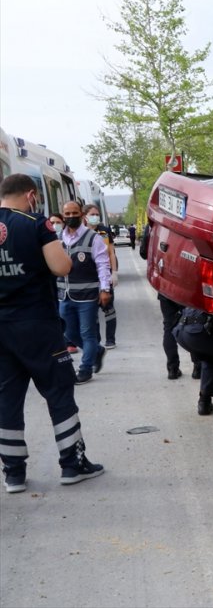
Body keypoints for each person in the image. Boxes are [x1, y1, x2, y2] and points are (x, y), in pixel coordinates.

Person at [0, 174, 105, 493]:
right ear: (30, 195)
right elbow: (61, 267)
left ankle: (14, 473)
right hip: (37, 324)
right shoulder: (35, 223)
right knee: (59, 391)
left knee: (7, 398)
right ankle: (72, 464)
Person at [57, 200, 110, 384]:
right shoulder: (57, 238)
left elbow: (103, 264)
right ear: (63, 215)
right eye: (67, 214)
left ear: (81, 214)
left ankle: (85, 368)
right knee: (69, 333)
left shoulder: (92, 237)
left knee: (87, 333)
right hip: (64, 295)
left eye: (74, 213)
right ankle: (97, 350)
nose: (71, 217)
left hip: (87, 296)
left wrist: (105, 289)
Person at [139, 223, 201, 380]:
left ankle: (172, 369)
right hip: (187, 285)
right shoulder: (190, 225)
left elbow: (143, 252)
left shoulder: (156, 226)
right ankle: (197, 367)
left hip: (166, 285)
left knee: (169, 327)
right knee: (194, 323)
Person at [83, 204, 119, 349]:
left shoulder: (104, 231)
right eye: (92, 214)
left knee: (108, 307)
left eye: (97, 214)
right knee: (93, 310)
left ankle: (110, 339)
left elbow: (111, 252)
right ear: (85, 216)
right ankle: (96, 340)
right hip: (89, 276)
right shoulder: (81, 232)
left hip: (105, 273)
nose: (95, 216)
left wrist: (114, 272)